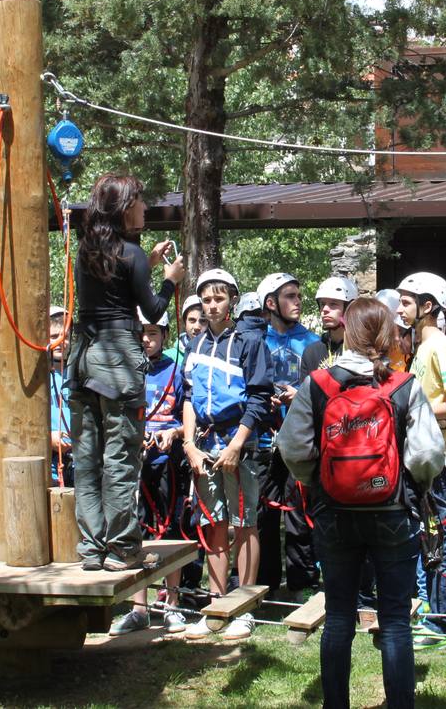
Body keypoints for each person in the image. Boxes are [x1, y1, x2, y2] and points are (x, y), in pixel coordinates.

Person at [277, 297, 443, 709]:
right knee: (395, 622)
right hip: (392, 512)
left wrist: (317, 482)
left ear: (347, 333)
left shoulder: (317, 383)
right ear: (386, 335)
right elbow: (426, 456)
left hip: (334, 512)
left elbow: (292, 447)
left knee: (337, 617)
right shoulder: (403, 385)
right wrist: (412, 485)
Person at [66, 173, 186, 572]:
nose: (145, 207)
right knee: (120, 456)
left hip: (82, 355)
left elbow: (114, 285)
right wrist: (170, 282)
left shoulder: (88, 249)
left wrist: (147, 264)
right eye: (139, 200)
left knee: (86, 456)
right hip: (117, 360)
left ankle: (91, 549)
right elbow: (152, 311)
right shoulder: (129, 253)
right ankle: (121, 550)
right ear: (123, 208)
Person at [181, 268, 273, 642]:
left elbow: (259, 398)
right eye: (206, 299)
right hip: (204, 445)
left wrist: (237, 444)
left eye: (219, 298)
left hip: (242, 445)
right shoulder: (195, 344)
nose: (212, 305)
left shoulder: (249, 342)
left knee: (245, 521)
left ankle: (246, 606)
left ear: (232, 300)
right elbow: (188, 396)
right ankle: (218, 603)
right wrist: (188, 444)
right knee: (213, 523)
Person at [396, 272, 446, 649]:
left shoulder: (439, 344)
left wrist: (418, 409)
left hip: (438, 458)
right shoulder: (420, 347)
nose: (400, 308)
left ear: (428, 306)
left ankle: (443, 621)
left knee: (440, 533)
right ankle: (432, 611)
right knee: (428, 533)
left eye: (407, 302)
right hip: (421, 456)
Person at [111, 309, 189, 636]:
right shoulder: (128, 372)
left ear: (165, 337)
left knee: (171, 530)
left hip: (168, 462)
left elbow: (190, 418)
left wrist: (174, 433)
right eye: (142, 332)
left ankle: (172, 605)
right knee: (136, 531)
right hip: (136, 463)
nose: (146, 339)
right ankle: (139, 609)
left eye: (154, 333)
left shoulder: (177, 372)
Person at [257, 271, 322, 595]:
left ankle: (302, 582)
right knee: (264, 513)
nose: (298, 301)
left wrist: (301, 394)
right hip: (266, 439)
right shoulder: (257, 341)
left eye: (299, 295)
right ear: (271, 303)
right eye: (290, 296)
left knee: (298, 513)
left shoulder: (312, 342)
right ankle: (265, 583)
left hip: (299, 440)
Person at [301, 276, 358, 376]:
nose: (325, 309)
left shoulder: (362, 349)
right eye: (322, 304)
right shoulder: (311, 352)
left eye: (333, 304)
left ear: (349, 308)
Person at [49, 305, 74, 487]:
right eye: (54, 336)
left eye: (65, 336)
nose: (60, 342)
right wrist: (47, 437)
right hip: (47, 458)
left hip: (76, 457)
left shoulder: (79, 375)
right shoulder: (39, 378)